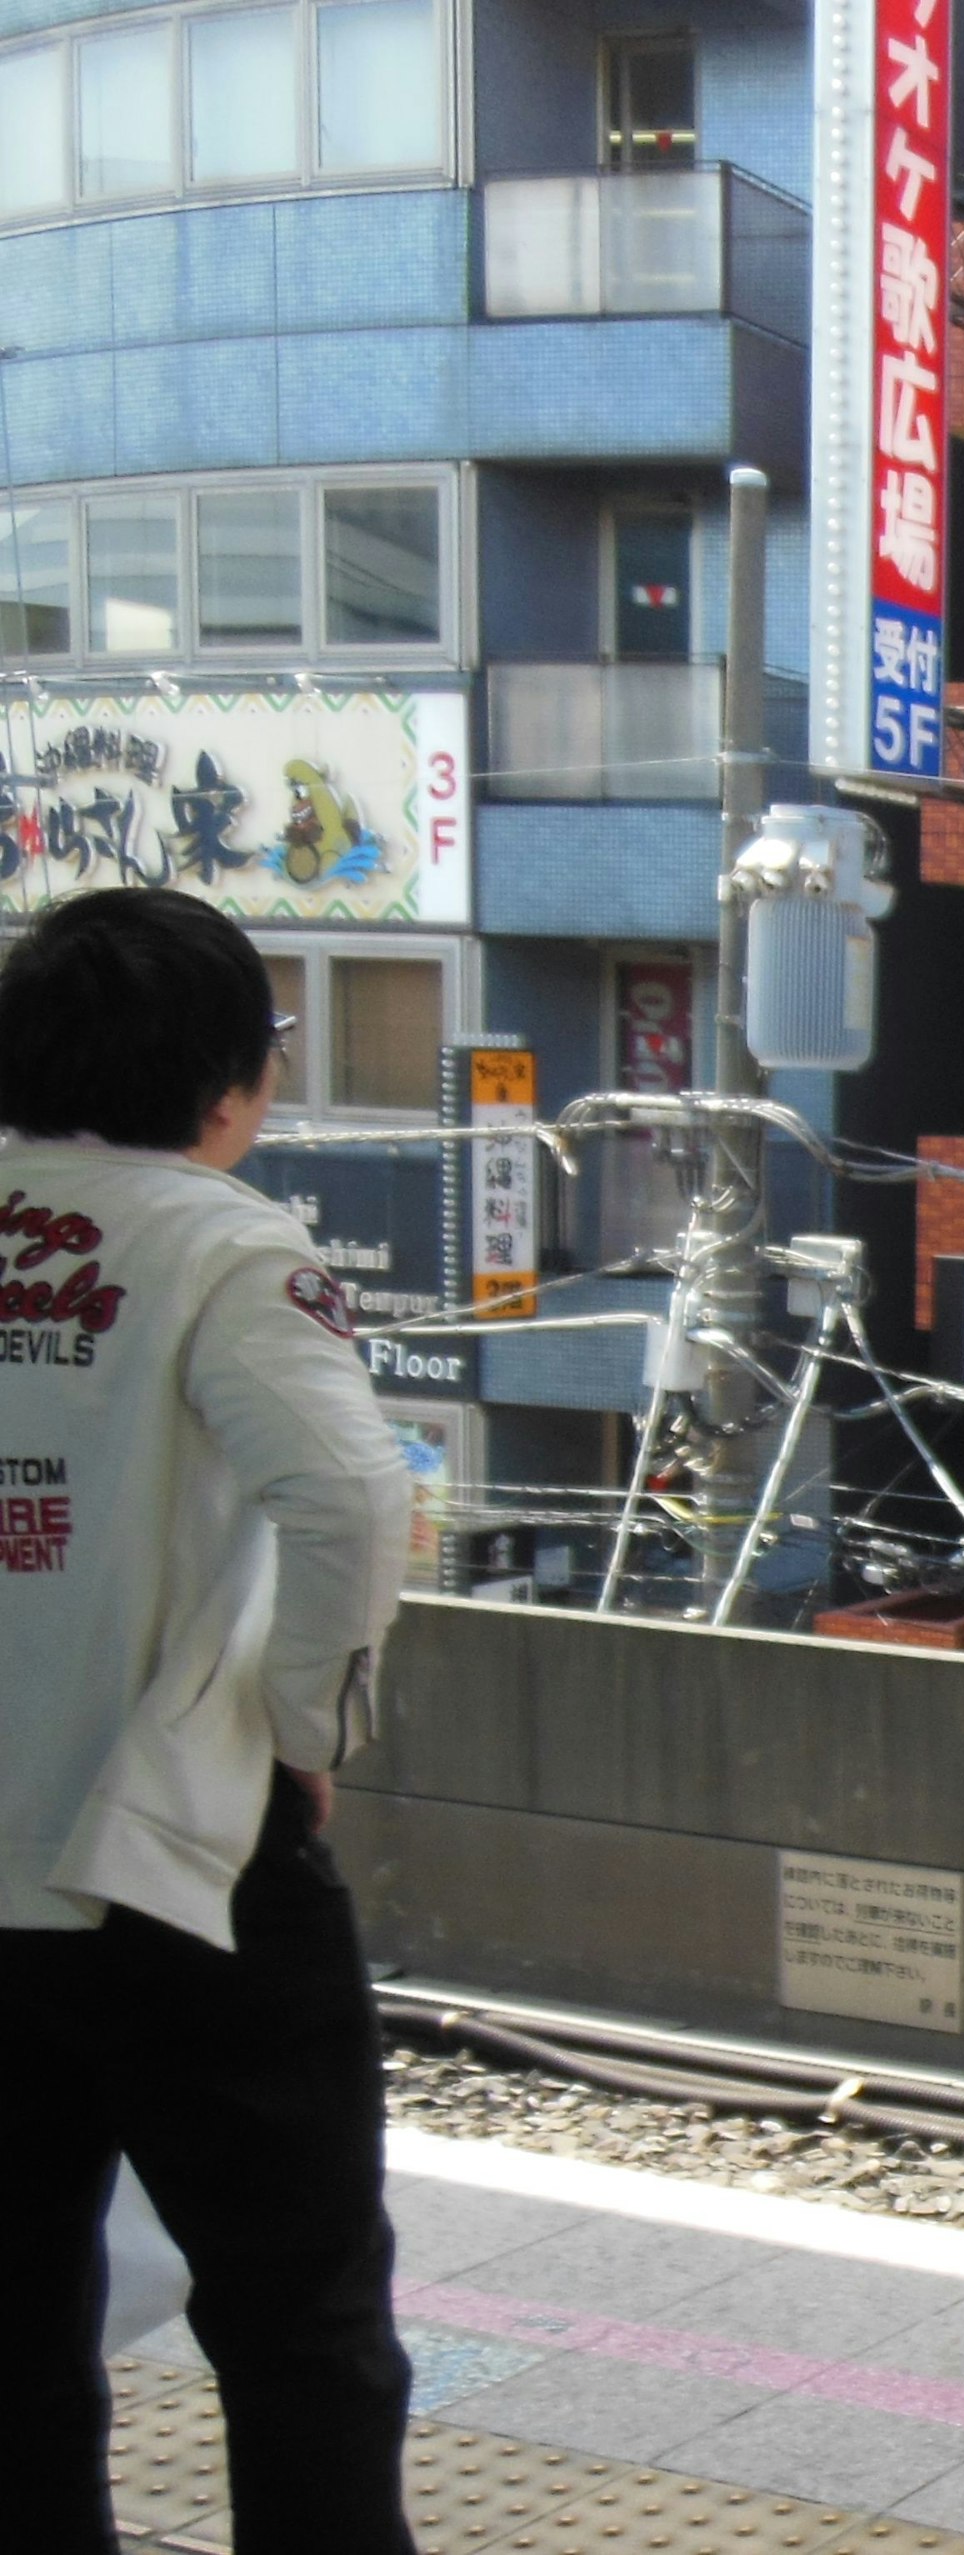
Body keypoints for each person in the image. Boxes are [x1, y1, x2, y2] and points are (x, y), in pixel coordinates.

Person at [0, 888, 419, 2555]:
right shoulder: (220, 1243)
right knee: (301, 2330)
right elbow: (348, 1499)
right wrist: (305, 1728)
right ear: (232, 1084)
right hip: (182, 1869)